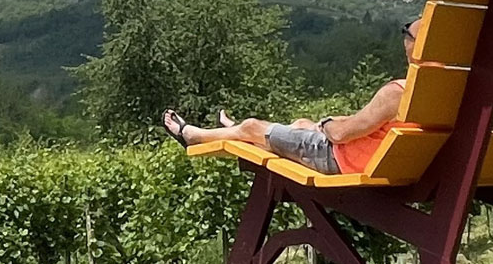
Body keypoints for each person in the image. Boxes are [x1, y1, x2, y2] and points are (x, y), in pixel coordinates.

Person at [162, 18, 418, 176]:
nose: (404, 35)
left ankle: (193, 136)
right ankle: (237, 131)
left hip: (340, 159)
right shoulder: (436, 94)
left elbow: (340, 135)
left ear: (417, 44)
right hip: (378, 161)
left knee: (253, 125)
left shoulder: (397, 92)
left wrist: (328, 123)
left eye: (407, 31)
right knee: (301, 124)